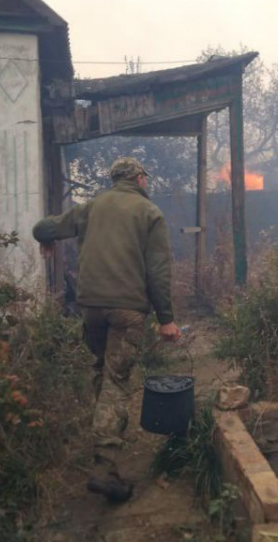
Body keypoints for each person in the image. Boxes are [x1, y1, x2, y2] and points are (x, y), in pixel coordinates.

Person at [32, 157, 181, 502]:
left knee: (103, 370)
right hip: (127, 310)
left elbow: (43, 228)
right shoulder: (150, 213)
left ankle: (103, 431)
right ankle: (104, 465)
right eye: (146, 177)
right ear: (140, 179)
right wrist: (166, 319)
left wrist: (48, 240)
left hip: (91, 308)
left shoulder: (90, 208)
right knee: (116, 380)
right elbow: (158, 272)